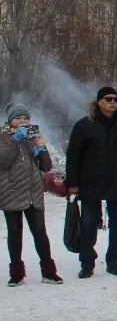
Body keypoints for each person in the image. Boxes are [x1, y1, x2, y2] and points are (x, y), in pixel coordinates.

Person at [65, 86, 117, 278]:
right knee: (89, 223)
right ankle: (87, 263)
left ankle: (114, 261)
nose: (113, 102)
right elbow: (73, 155)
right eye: (108, 99)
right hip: (91, 181)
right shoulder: (84, 126)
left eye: (115, 99)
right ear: (99, 102)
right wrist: (73, 183)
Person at [2, 104, 60, 286]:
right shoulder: (3, 137)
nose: (23, 122)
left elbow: (46, 167)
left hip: (33, 192)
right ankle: (17, 274)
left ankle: (49, 272)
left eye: (26, 118)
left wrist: (41, 149)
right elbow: (3, 162)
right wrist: (15, 140)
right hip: (11, 191)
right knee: (14, 232)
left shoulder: (32, 137)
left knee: (40, 232)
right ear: (10, 120)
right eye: (18, 118)